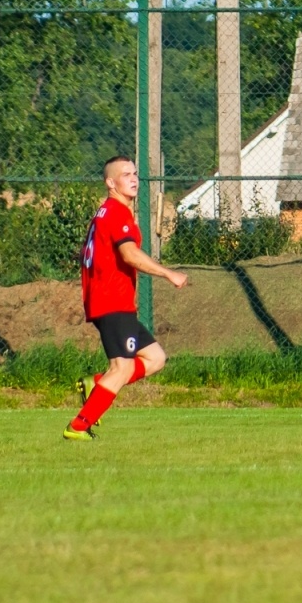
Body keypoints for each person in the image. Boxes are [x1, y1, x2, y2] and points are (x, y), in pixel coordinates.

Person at [64, 156, 190, 440]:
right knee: (121, 367)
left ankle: (96, 385)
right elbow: (129, 254)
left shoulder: (105, 213)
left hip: (109, 299)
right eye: (125, 174)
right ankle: (78, 426)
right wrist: (169, 273)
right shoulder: (117, 213)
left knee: (155, 358)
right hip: (111, 301)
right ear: (110, 183)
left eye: (134, 173)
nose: (133, 178)